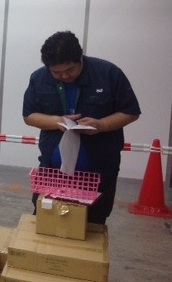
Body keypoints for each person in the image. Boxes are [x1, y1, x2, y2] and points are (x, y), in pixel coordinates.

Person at [22, 30, 140, 225]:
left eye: (69, 70)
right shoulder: (39, 78)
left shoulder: (108, 73)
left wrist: (101, 125)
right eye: (56, 73)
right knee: (47, 223)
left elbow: (131, 112)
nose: (64, 76)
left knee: (92, 226)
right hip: (53, 172)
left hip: (98, 173)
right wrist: (56, 121)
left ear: (80, 58)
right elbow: (29, 116)